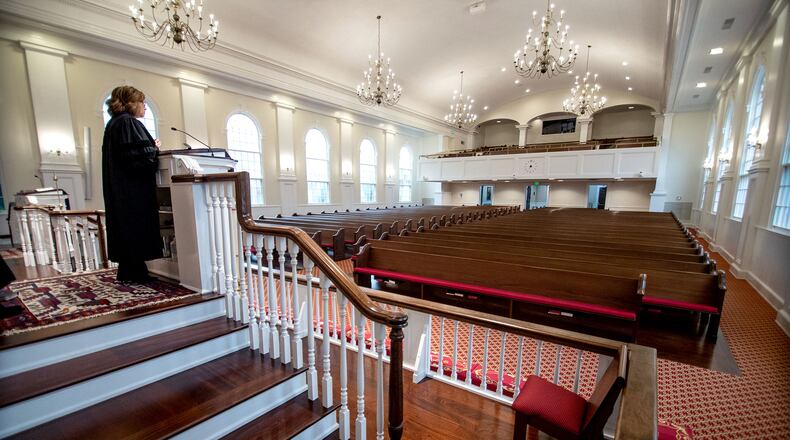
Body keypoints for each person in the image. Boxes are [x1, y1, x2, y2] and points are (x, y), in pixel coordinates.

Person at [102, 86, 163, 282]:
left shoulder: (113, 124)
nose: (144, 107)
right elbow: (141, 160)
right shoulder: (128, 123)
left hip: (120, 188)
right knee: (136, 226)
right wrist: (154, 149)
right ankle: (137, 273)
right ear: (132, 103)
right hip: (132, 190)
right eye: (142, 103)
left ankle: (129, 271)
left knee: (125, 227)